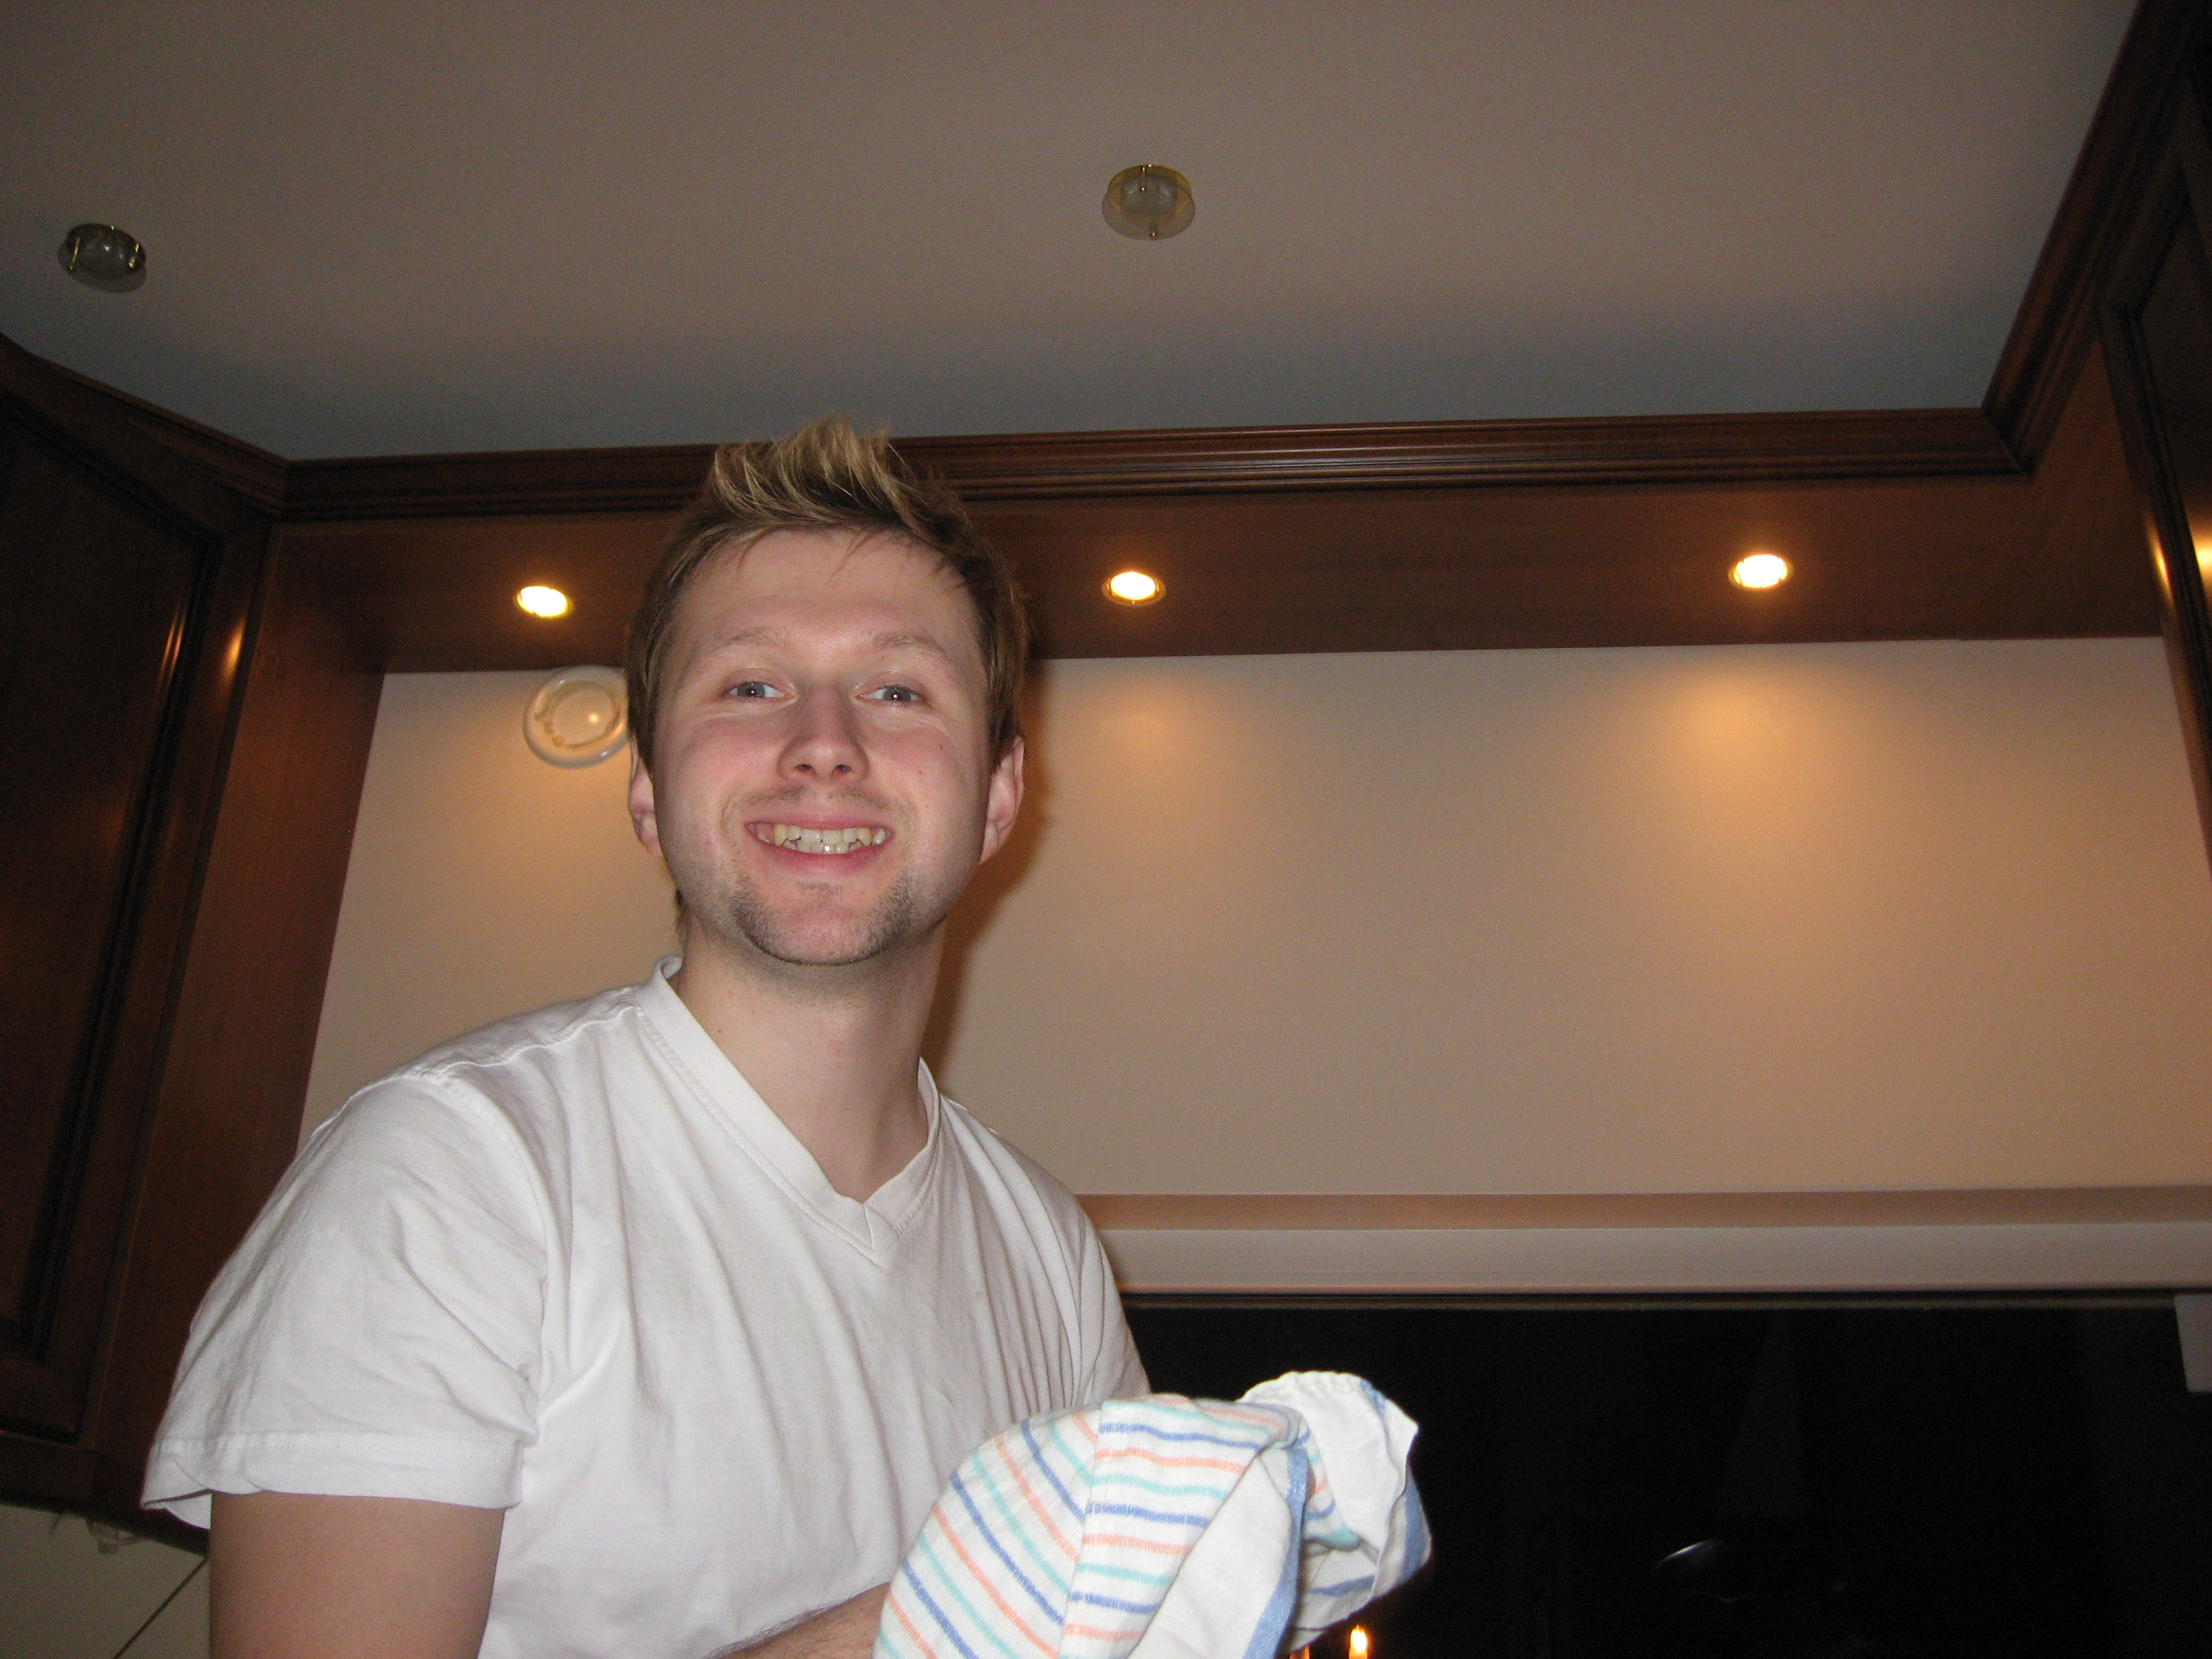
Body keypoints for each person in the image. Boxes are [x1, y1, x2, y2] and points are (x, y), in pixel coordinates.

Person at [144, 420, 1148, 1659]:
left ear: (997, 797)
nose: (823, 742)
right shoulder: (451, 1170)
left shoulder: (1048, 1252)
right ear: (648, 788)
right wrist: (928, 1625)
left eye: (897, 691)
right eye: (750, 686)